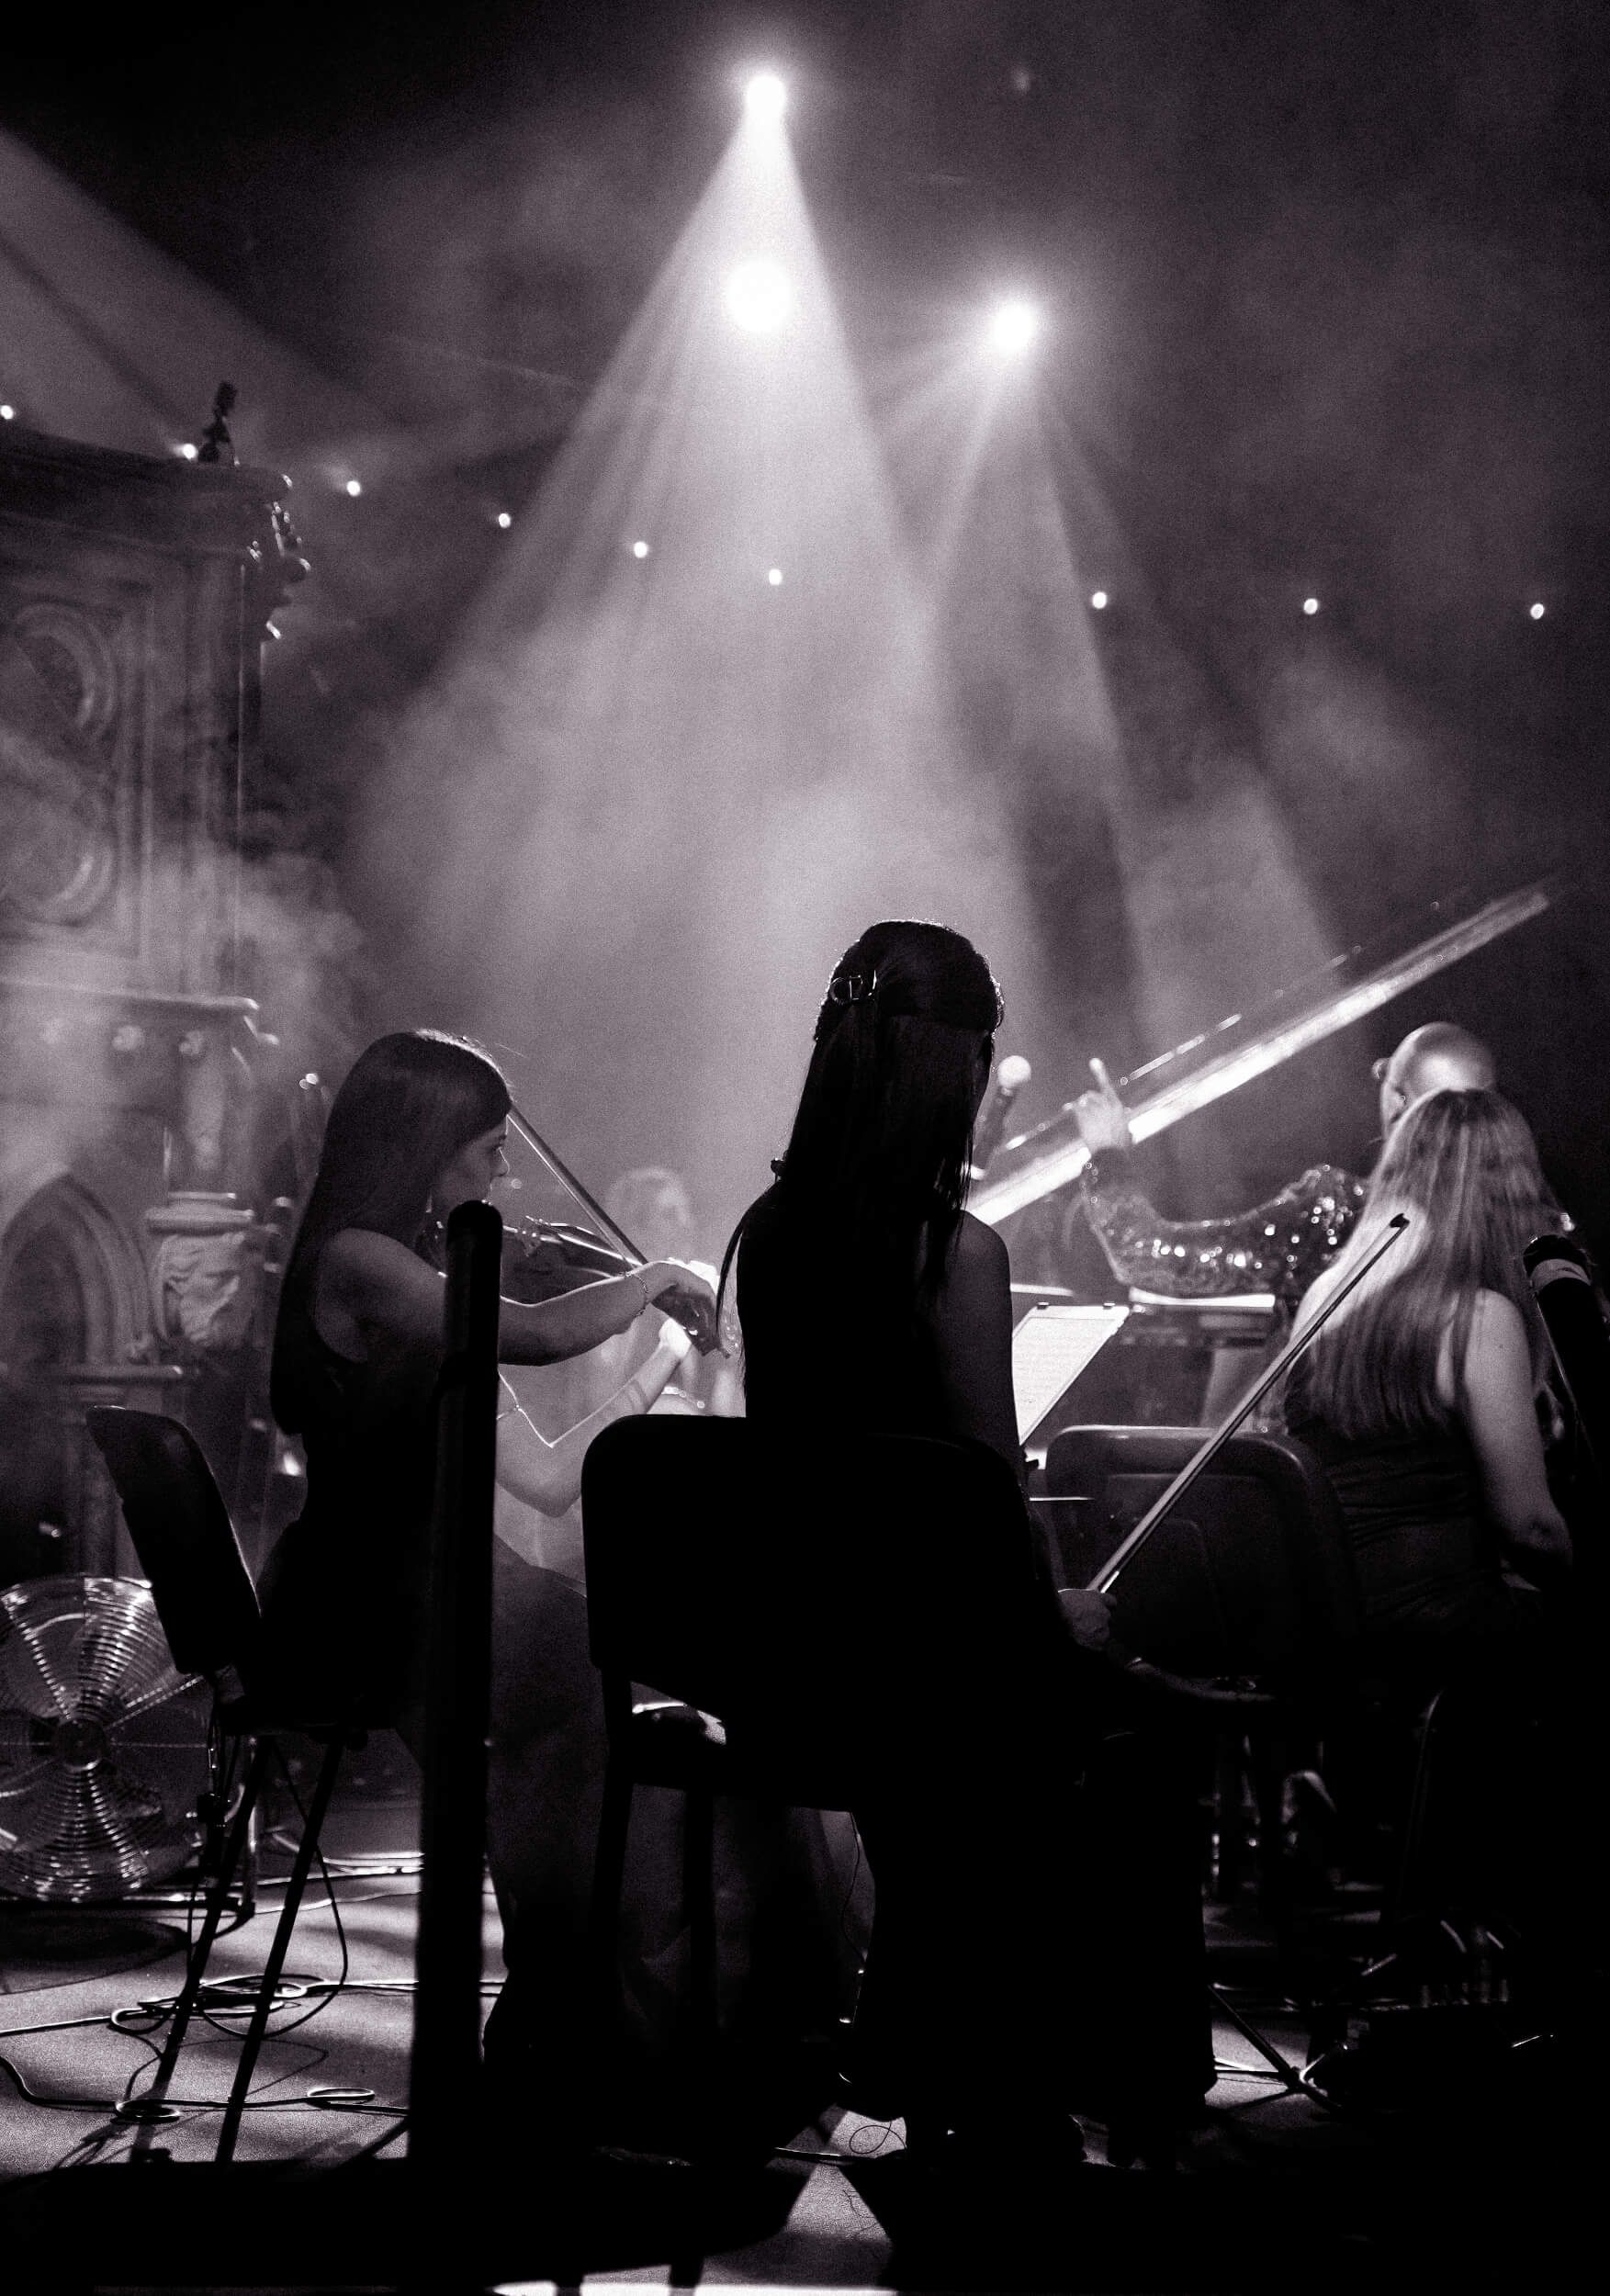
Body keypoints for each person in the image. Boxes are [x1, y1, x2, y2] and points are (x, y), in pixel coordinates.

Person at [724, 920, 1211, 2164]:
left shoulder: (766, 1235)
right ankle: (1107, 2084)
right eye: (986, 1065)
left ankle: (912, 2034)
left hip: (799, 1653)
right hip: (926, 1668)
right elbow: (984, 1496)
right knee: (1145, 1724)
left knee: (961, 1768)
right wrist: (1057, 1614)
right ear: (946, 1071)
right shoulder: (955, 1253)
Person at [262, 1030, 718, 2115]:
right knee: (574, 1687)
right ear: (424, 1147)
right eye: (486, 1155)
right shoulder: (361, 1259)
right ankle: (564, 2007)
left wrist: (659, 1354)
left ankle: (560, 2006)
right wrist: (658, 1276)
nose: (504, 1182)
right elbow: (528, 1330)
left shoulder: (421, 1281)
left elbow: (553, 1483)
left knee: (580, 1673)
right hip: (372, 1591)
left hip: (440, 1581)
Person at [1282, 1086, 1570, 1675]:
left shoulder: (1323, 1296)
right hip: (1442, 1633)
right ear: (1508, 1193)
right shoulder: (1477, 1315)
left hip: (1333, 1628)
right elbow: (1530, 1527)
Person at [1071, 1022, 1498, 1308]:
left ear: (1397, 1100)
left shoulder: (1335, 1210)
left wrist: (1108, 1157)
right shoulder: (1511, 1226)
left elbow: (1154, 1258)